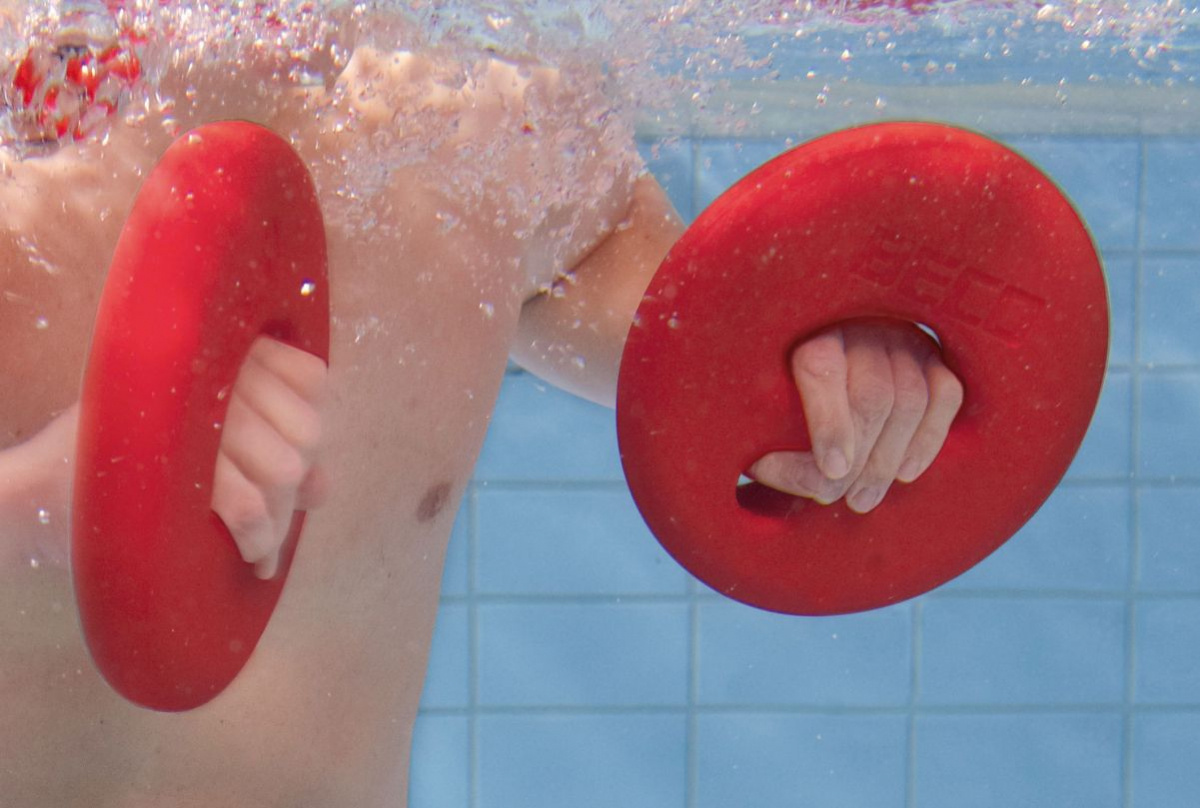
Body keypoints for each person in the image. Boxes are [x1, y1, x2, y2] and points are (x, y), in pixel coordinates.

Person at [0, 9, 962, 806]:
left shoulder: (482, 112)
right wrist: (34, 501)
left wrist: (843, 364)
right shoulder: (23, 93)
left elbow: (717, 352)